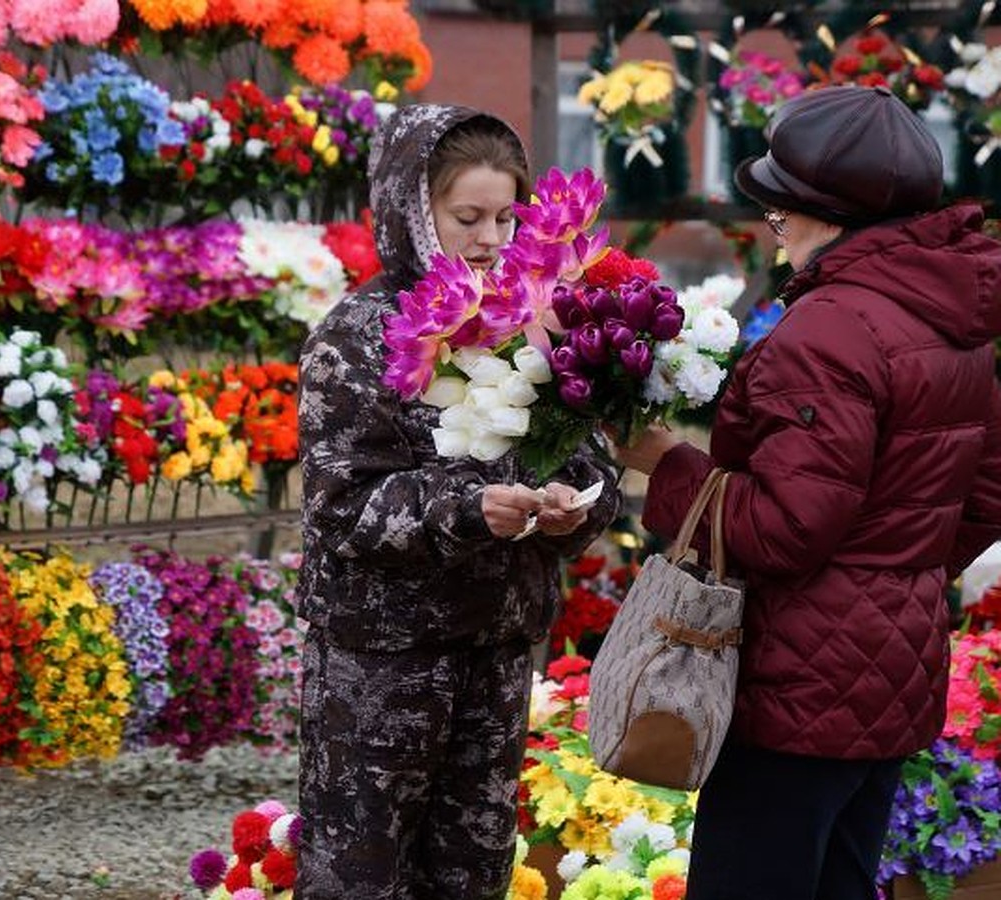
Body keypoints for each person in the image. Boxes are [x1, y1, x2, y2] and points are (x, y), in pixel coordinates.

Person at [612, 84, 1001, 900]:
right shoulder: (946, 315)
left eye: (781, 210)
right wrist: (898, 567)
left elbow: (789, 527)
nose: (774, 228)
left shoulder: (829, 329)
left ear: (829, 212)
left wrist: (665, 462)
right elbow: (989, 492)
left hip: (797, 685)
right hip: (892, 670)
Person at [294, 104, 620, 899]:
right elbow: (345, 507)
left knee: (472, 876)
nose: (489, 238)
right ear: (413, 211)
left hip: (497, 652)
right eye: (465, 216)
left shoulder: (529, 319)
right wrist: (469, 510)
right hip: (382, 663)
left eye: (507, 217)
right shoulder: (359, 336)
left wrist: (577, 502)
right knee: (360, 876)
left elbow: (590, 458)